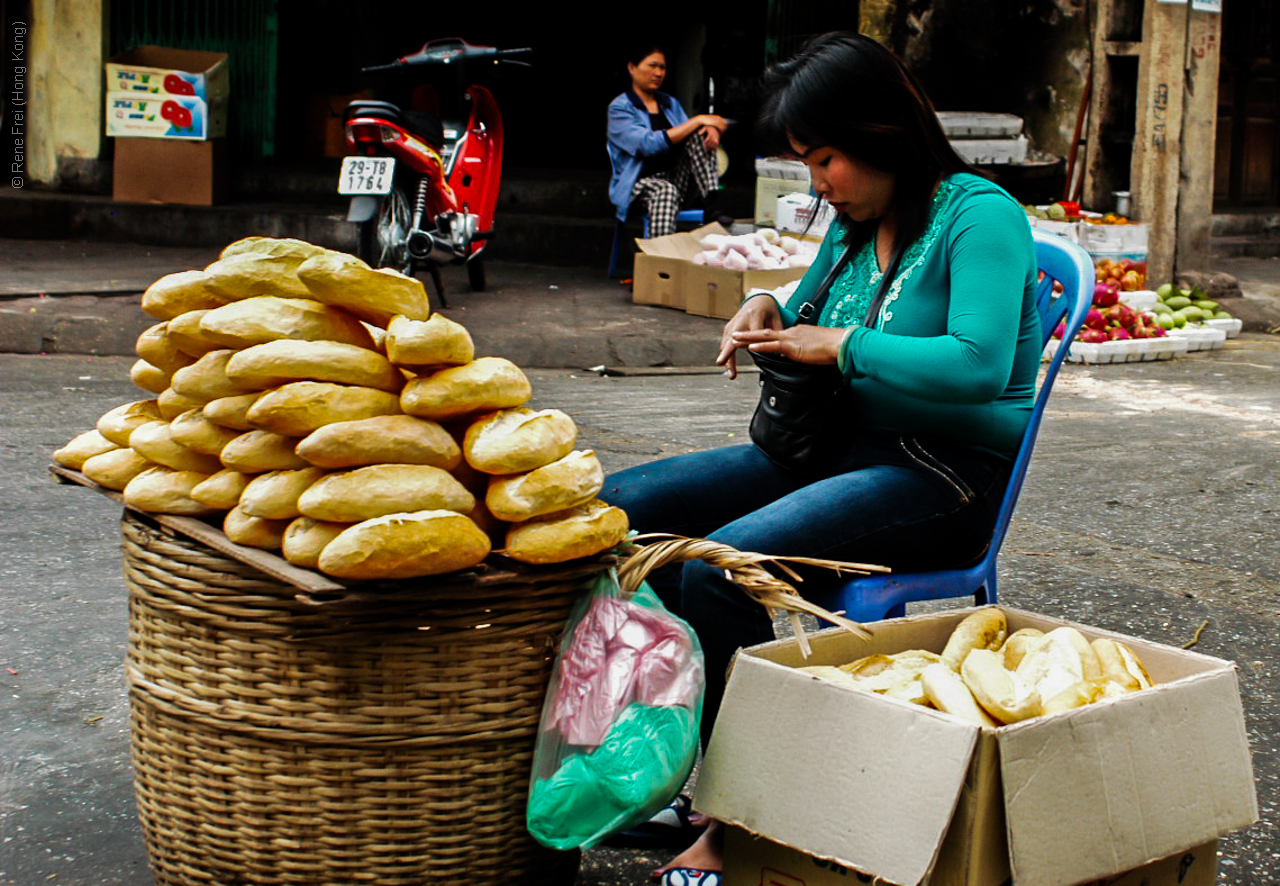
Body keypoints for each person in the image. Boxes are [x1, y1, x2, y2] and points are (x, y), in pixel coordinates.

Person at [598, 31, 1041, 885]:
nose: (818, 181)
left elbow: (979, 364)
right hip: (831, 449)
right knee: (619, 514)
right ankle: (686, 752)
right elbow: (799, 306)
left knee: (719, 572)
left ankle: (739, 814)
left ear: (882, 132)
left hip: (940, 474)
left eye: (826, 157)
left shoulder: (979, 216)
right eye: (808, 161)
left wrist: (840, 345)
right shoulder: (853, 220)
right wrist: (763, 307)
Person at [607, 43, 729, 237]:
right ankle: (661, 260)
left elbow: (692, 133)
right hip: (637, 187)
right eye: (652, 66)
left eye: (662, 67)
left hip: (677, 180)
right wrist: (698, 120)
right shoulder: (620, 108)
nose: (658, 73)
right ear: (632, 68)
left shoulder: (669, 103)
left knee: (697, 136)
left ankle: (711, 202)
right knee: (665, 191)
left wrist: (709, 128)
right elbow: (646, 144)